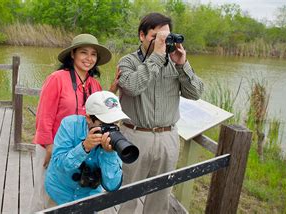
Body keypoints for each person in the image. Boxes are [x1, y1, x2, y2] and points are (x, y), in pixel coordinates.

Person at [115, 12, 204, 214]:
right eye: (156, 36)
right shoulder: (127, 62)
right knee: (128, 194)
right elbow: (132, 87)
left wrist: (183, 65)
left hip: (167, 137)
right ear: (142, 35)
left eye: (166, 37)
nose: (162, 42)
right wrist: (156, 57)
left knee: (161, 195)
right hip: (135, 136)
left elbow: (196, 93)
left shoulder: (175, 63)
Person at [29, 34, 112, 212]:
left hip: (81, 148)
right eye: (84, 52)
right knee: (45, 192)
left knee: (71, 191)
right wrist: (49, 145)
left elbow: (97, 116)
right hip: (54, 146)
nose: (89, 59)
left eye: (93, 54)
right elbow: (44, 115)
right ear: (73, 54)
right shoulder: (57, 78)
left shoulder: (95, 85)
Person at [44, 91, 128, 206]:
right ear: (88, 118)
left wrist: (109, 154)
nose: (111, 128)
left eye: (115, 122)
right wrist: (84, 147)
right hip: (59, 194)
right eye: (105, 123)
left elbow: (112, 185)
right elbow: (59, 165)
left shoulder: (116, 139)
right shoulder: (69, 125)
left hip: (89, 200)